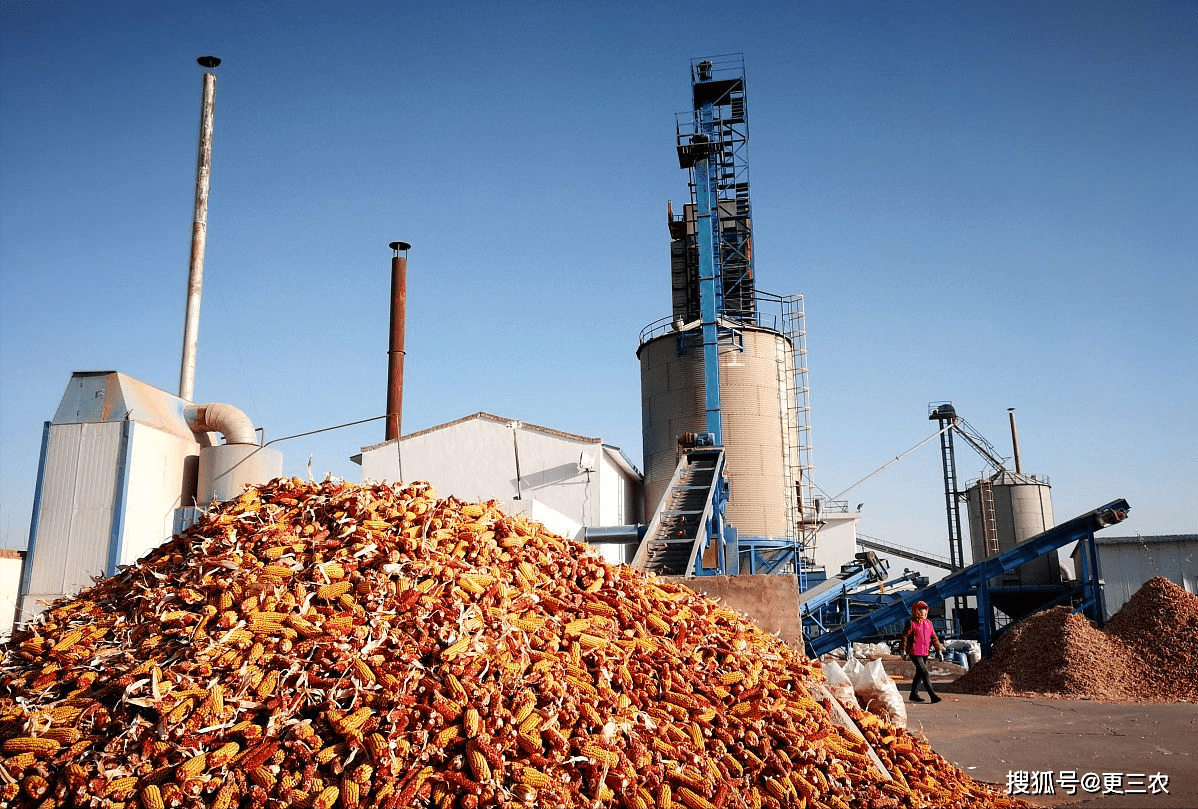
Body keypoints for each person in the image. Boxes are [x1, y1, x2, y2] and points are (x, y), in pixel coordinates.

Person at [902, 600, 943, 703]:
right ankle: (933, 696)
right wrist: (903, 650)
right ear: (916, 611)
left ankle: (913, 695)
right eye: (920, 609)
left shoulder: (929, 623)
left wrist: (939, 651)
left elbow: (934, 638)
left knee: (919, 674)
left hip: (924, 652)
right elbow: (905, 636)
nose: (923, 611)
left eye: (924, 609)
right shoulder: (912, 623)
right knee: (924, 673)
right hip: (914, 652)